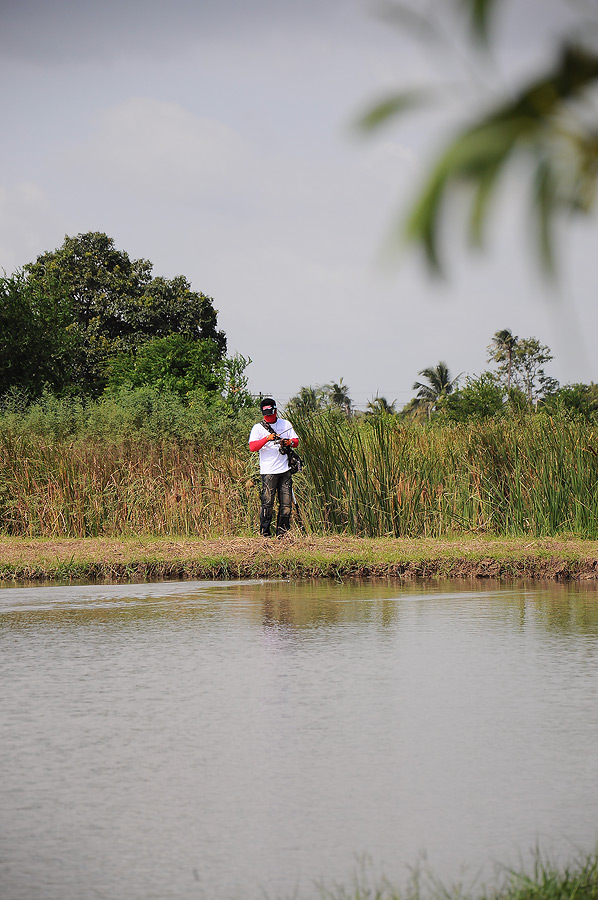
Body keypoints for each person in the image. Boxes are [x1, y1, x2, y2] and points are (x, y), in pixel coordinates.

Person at [249, 397, 299, 537]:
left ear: (276, 411)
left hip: (285, 471)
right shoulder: (258, 428)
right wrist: (266, 439)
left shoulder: (285, 424)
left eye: (271, 414)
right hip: (268, 471)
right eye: (266, 415)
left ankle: (282, 534)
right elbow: (253, 447)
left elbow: (296, 441)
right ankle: (265, 534)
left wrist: (288, 442)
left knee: (286, 504)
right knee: (267, 503)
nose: (269, 417)